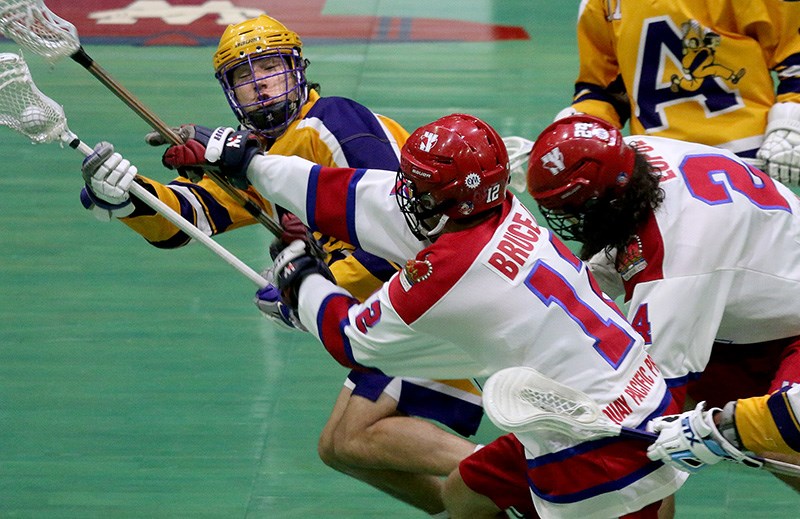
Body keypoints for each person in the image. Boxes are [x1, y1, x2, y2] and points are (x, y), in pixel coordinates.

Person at [139, 112, 707, 518]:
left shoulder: (449, 274)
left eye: (418, 185)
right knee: (465, 495)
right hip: (621, 398)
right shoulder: (497, 209)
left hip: (596, 446)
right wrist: (250, 163)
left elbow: (351, 340)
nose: (404, 191)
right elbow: (361, 195)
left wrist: (299, 275)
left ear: (449, 199)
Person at [78, 14, 482, 515]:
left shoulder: (333, 119)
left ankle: (515, 484)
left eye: (269, 67)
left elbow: (400, 223)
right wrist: (128, 197)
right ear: (229, 93)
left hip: (428, 291)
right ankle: (476, 505)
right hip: (393, 305)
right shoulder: (261, 155)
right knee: (339, 449)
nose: (260, 84)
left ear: (298, 68)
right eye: (244, 77)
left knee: (355, 437)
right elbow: (191, 217)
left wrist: (314, 287)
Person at [526, 114, 800, 476]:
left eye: (575, 211)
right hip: (750, 305)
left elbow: (654, 398)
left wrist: (706, 433)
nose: (571, 223)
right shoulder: (636, 154)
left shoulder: (678, 262)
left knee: (781, 438)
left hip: (772, 318)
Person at [557, 0, 800, 184]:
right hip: (657, 170)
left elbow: (794, 52)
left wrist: (791, 122)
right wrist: (574, 129)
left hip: (747, 160)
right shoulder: (599, 4)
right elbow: (605, 89)